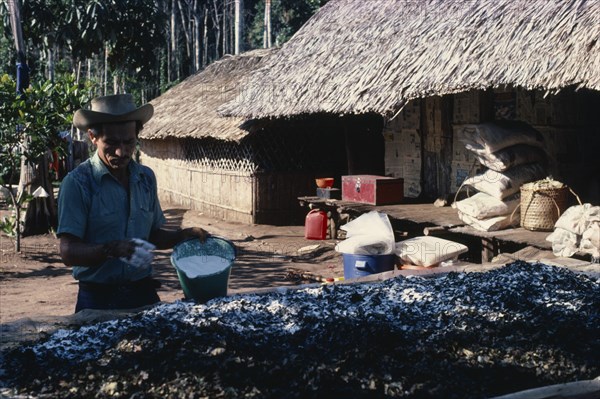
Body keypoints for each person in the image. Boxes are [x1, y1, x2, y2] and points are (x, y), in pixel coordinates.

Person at [57, 94, 208, 312]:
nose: (121, 151)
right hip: (98, 298)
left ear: (137, 136)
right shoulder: (78, 184)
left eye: (129, 142)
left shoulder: (145, 178)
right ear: (93, 137)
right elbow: (68, 252)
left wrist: (182, 236)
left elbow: (152, 235)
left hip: (143, 291)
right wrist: (110, 249)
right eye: (111, 143)